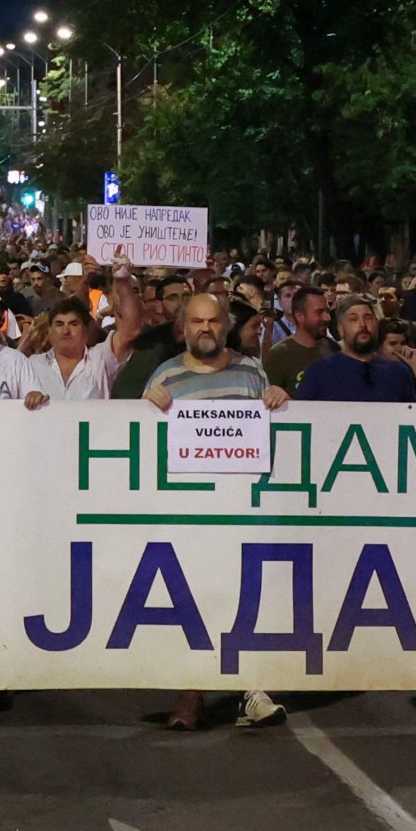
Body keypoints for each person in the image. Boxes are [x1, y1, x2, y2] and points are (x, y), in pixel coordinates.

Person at [145, 294, 291, 731]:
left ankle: (251, 689)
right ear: (183, 328)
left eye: (213, 321)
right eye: (196, 321)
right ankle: (192, 693)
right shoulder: (165, 375)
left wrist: (279, 398)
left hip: (241, 508)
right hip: (187, 511)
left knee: (244, 597)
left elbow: (273, 434)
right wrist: (146, 408)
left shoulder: (251, 371)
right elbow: (141, 442)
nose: (205, 328)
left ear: (225, 326)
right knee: (193, 600)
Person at [29, 260, 142, 400]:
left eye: (74, 324)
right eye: (59, 324)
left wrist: (122, 279)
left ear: (86, 330)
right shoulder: (33, 364)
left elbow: (130, 330)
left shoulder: (101, 359)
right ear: (49, 331)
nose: (66, 331)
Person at [296, 296, 416, 401]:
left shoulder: (399, 373)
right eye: (353, 319)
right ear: (341, 329)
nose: (362, 325)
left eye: (368, 318)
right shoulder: (318, 372)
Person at [109, 272, 193, 399]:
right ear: (159, 306)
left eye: (186, 296)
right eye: (173, 298)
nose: (182, 303)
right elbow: (123, 393)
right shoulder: (149, 343)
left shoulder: (208, 337)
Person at [263, 285, 336, 393]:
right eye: (319, 312)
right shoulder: (278, 356)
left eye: (327, 311)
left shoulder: (334, 348)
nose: (327, 318)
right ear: (299, 315)